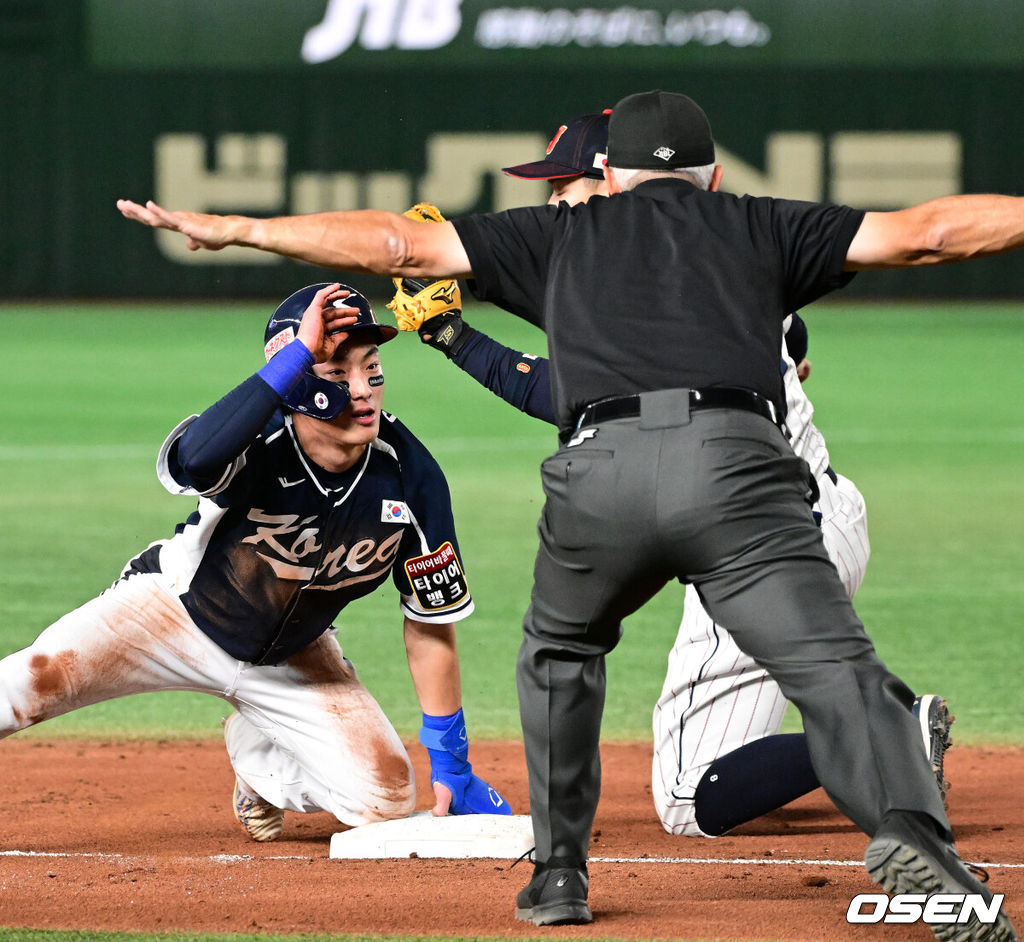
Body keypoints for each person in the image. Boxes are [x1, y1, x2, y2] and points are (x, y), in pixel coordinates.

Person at [116, 90, 1024, 940]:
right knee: (834, 669)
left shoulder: (560, 236)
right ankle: (929, 856)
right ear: (711, 175)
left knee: (560, 655)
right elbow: (933, 232)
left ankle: (559, 874)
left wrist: (234, 227)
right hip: (739, 476)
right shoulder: (763, 223)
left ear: (613, 176)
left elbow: (397, 244)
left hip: (603, 476)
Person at [393, 116, 952, 840]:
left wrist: (452, 338)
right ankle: (875, 731)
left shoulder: (635, 265)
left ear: (615, 179)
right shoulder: (686, 255)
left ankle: (893, 735)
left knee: (689, 798)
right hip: (780, 510)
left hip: (760, 531)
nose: (555, 204)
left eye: (564, 186)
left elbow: (559, 393)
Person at [0, 282, 510, 845]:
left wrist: (451, 762)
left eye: (372, 369)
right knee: (27, 684)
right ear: (296, 380)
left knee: (384, 800)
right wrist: (295, 360)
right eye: (338, 374)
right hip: (171, 614)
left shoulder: (409, 476)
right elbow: (196, 459)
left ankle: (259, 768)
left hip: (294, 656)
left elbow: (429, 623)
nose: (363, 392)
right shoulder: (259, 438)